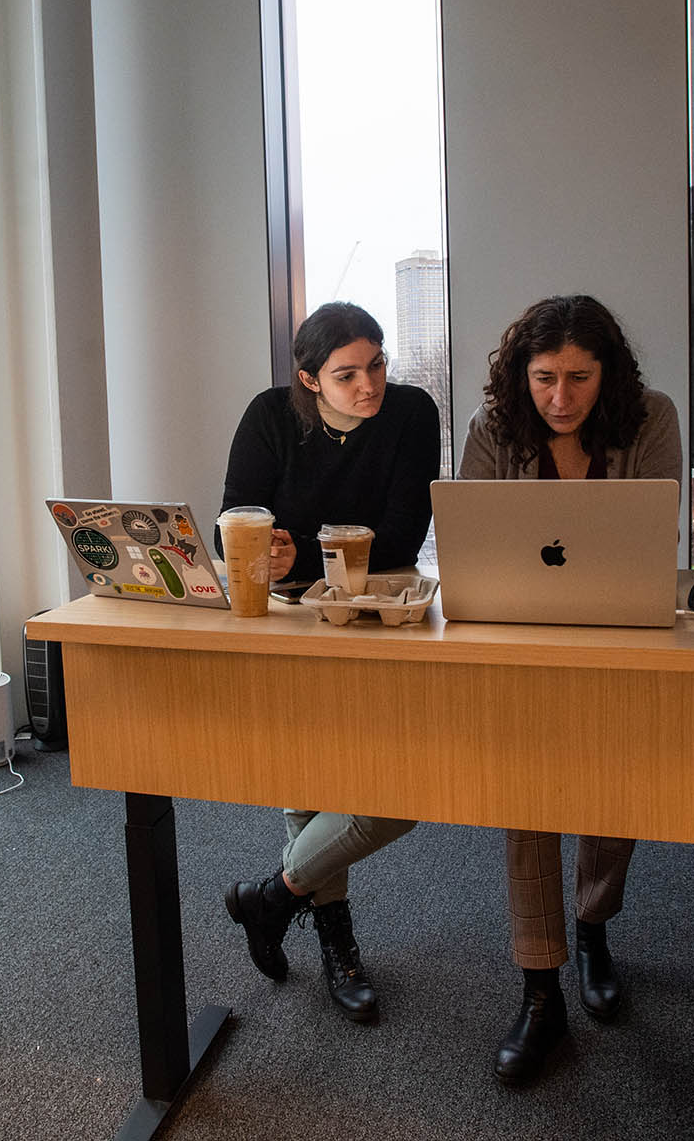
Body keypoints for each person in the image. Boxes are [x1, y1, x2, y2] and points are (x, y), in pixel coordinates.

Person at [457, 294, 681, 1085]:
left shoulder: (650, 416)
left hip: (619, 634)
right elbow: (474, 553)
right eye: (545, 377)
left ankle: (591, 926)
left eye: (579, 378)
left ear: (607, 373)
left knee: (612, 790)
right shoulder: (491, 432)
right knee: (528, 799)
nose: (559, 397)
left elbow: (654, 540)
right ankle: (539, 985)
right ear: (521, 374)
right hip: (520, 643)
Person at [218, 301, 440, 1021]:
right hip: (291, 618)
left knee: (396, 798)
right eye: (347, 374)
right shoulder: (268, 416)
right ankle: (335, 936)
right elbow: (235, 529)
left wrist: (296, 551)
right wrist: (275, 553)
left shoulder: (411, 412)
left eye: (376, 364)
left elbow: (404, 531)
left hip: (383, 612)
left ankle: (274, 896)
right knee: (309, 781)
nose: (369, 384)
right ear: (309, 378)